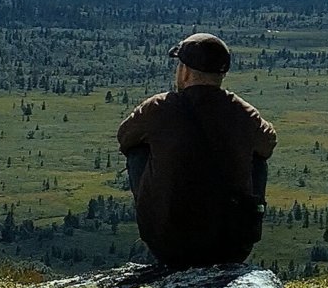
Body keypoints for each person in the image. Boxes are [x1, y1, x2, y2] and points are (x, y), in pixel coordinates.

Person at [117, 32, 277, 270]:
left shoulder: (158, 108)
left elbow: (125, 138)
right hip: (232, 246)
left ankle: (159, 219)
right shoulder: (244, 114)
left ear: (185, 71)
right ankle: (246, 224)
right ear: (222, 73)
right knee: (257, 160)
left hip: (168, 245)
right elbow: (267, 144)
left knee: (138, 152)